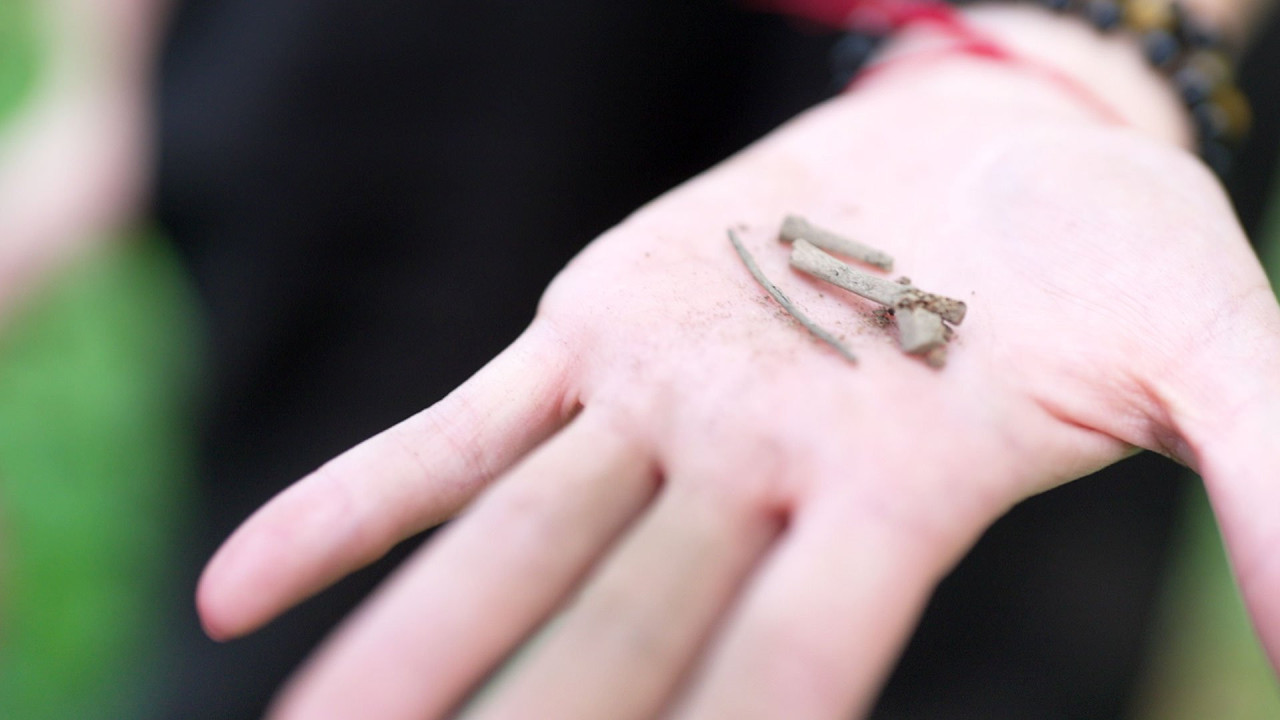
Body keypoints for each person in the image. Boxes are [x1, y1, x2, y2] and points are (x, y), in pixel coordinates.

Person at [4, 0, 1280, 718]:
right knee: (361, 563)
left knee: (930, 640)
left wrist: (1078, 52)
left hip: (997, 38)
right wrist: (106, 62)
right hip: (397, 62)